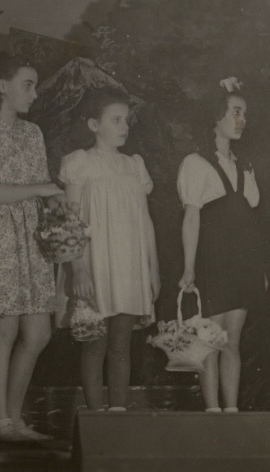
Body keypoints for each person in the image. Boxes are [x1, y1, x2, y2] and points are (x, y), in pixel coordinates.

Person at [0, 53, 63, 442]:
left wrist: (58, 208)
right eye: (28, 84)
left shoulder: (33, 133)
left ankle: (16, 419)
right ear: (3, 86)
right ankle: (0, 422)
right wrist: (40, 189)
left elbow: (45, 188)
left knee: (38, 333)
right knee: (5, 327)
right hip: (1, 232)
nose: (34, 94)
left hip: (33, 233)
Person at [57, 87, 160, 412]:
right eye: (115, 120)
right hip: (96, 265)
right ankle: (95, 420)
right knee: (94, 346)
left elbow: (145, 222)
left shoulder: (134, 166)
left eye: (126, 120)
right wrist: (79, 269)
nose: (124, 126)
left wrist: (152, 269)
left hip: (129, 266)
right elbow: (71, 221)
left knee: (121, 346)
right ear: (93, 125)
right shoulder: (80, 163)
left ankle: (117, 416)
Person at [176, 77, 266, 413]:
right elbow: (191, 218)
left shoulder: (244, 166)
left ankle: (231, 412)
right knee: (209, 341)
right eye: (235, 112)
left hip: (243, 263)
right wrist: (189, 267)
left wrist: (258, 268)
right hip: (212, 261)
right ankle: (212, 412)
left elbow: (250, 221)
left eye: (245, 113)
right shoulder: (196, 163)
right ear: (215, 116)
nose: (242, 120)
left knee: (232, 342)